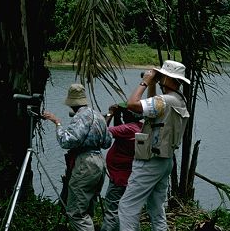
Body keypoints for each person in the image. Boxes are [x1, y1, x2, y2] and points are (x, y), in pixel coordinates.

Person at [118, 60, 190, 231]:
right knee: (156, 208)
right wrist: (154, 85)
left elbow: (132, 104)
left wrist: (145, 82)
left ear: (166, 78)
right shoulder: (179, 99)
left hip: (150, 162)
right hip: (165, 161)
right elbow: (154, 105)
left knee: (127, 208)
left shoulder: (165, 101)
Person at [43, 83, 111, 231]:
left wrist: (57, 123)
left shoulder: (80, 117)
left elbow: (67, 141)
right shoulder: (98, 115)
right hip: (99, 161)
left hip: (85, 163)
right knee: (87, 208)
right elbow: (107, 142)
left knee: (76, 212)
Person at [101, 102, 143, 231]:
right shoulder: (139, 127)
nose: (123, 116)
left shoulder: (128, 129)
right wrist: (117, 116)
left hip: (119, 178)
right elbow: (120, 131)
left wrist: (110, 114)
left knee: (112, 211)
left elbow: (102, 131)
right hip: (130, 177)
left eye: (125, 114)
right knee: (128, 211)